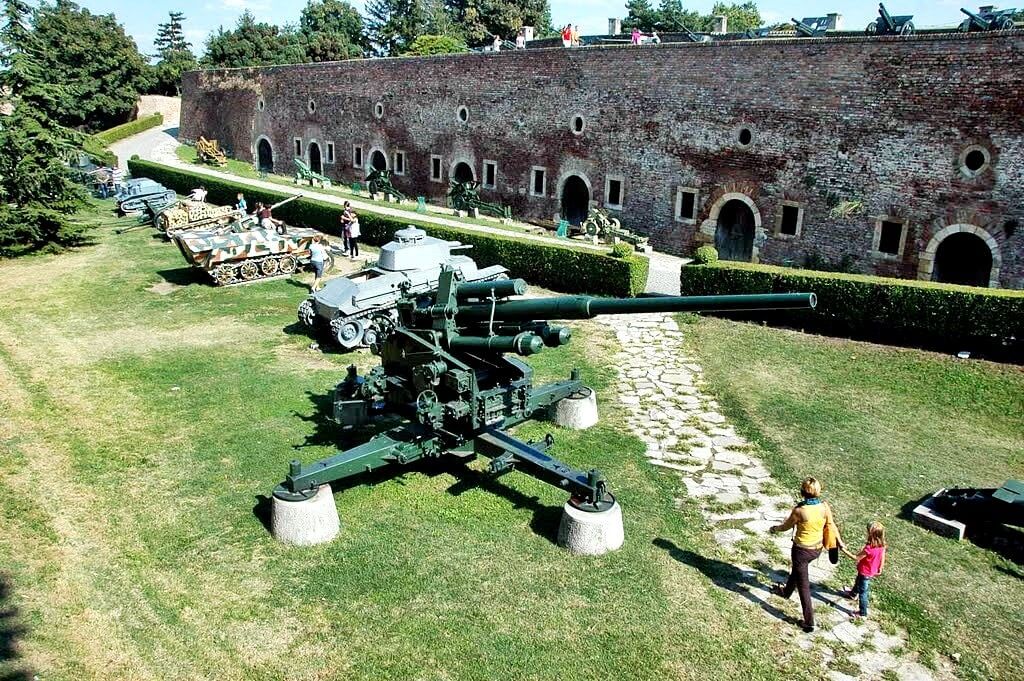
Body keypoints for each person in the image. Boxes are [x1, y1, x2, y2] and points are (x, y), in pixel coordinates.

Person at [769, 477, 844, 633]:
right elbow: (831, 525)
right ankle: (786, 592)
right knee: (798, 570)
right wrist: (839, 541)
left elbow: (786, 526)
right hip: (817, 548)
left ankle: (809, 622)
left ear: (802, 492)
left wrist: (774, 528)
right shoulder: (824, 507)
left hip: (801, 550)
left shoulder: (800, 511)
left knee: (803, 587)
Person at [843, 522, 887, 621]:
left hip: (865, 572)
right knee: (858, 582)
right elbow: (882, 556)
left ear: (871, 534)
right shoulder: (882, 545)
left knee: (863, 592)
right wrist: (881, 567)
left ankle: (862, 613)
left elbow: (856, 557)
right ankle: (853, 594)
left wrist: (843, 550)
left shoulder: (869, 549)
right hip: (871, 571)